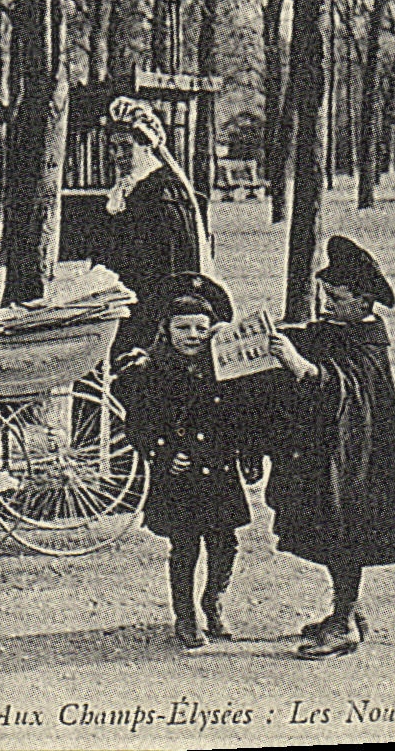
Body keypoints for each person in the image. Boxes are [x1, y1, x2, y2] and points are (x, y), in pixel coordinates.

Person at [265, 236, 395, 661]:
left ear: (363, 300)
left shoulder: (369, 340)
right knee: (331, 531)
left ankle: (345, 623)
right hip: (335, 450)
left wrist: (301, 366)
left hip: (361, 457)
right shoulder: (341, 330)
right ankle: (345, 609)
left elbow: (347, 386)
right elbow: (312, 338)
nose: (327, 304)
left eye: (336, 297)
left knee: (345, 532)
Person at [114, 274, 263, 650]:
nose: (193, 335)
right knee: (185, 546)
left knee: (225, 543)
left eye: (201, 327)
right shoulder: (150, 371)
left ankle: (212, 601)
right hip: (180, 476)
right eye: (183, 328)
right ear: (166, 329)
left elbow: (243, 416)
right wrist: (163, 452)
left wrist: (249, 454)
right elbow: (138, 423)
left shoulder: (226, 369)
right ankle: (185, 615)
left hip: (219, 469)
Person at [95, 106, 200, 354]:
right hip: (125, 298)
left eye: (125, 146)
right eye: (113, 147)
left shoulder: (165, 191)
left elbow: (179, 257)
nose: (118, 155)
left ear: (146, 145)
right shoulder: (125, 190)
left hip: (154, 302)